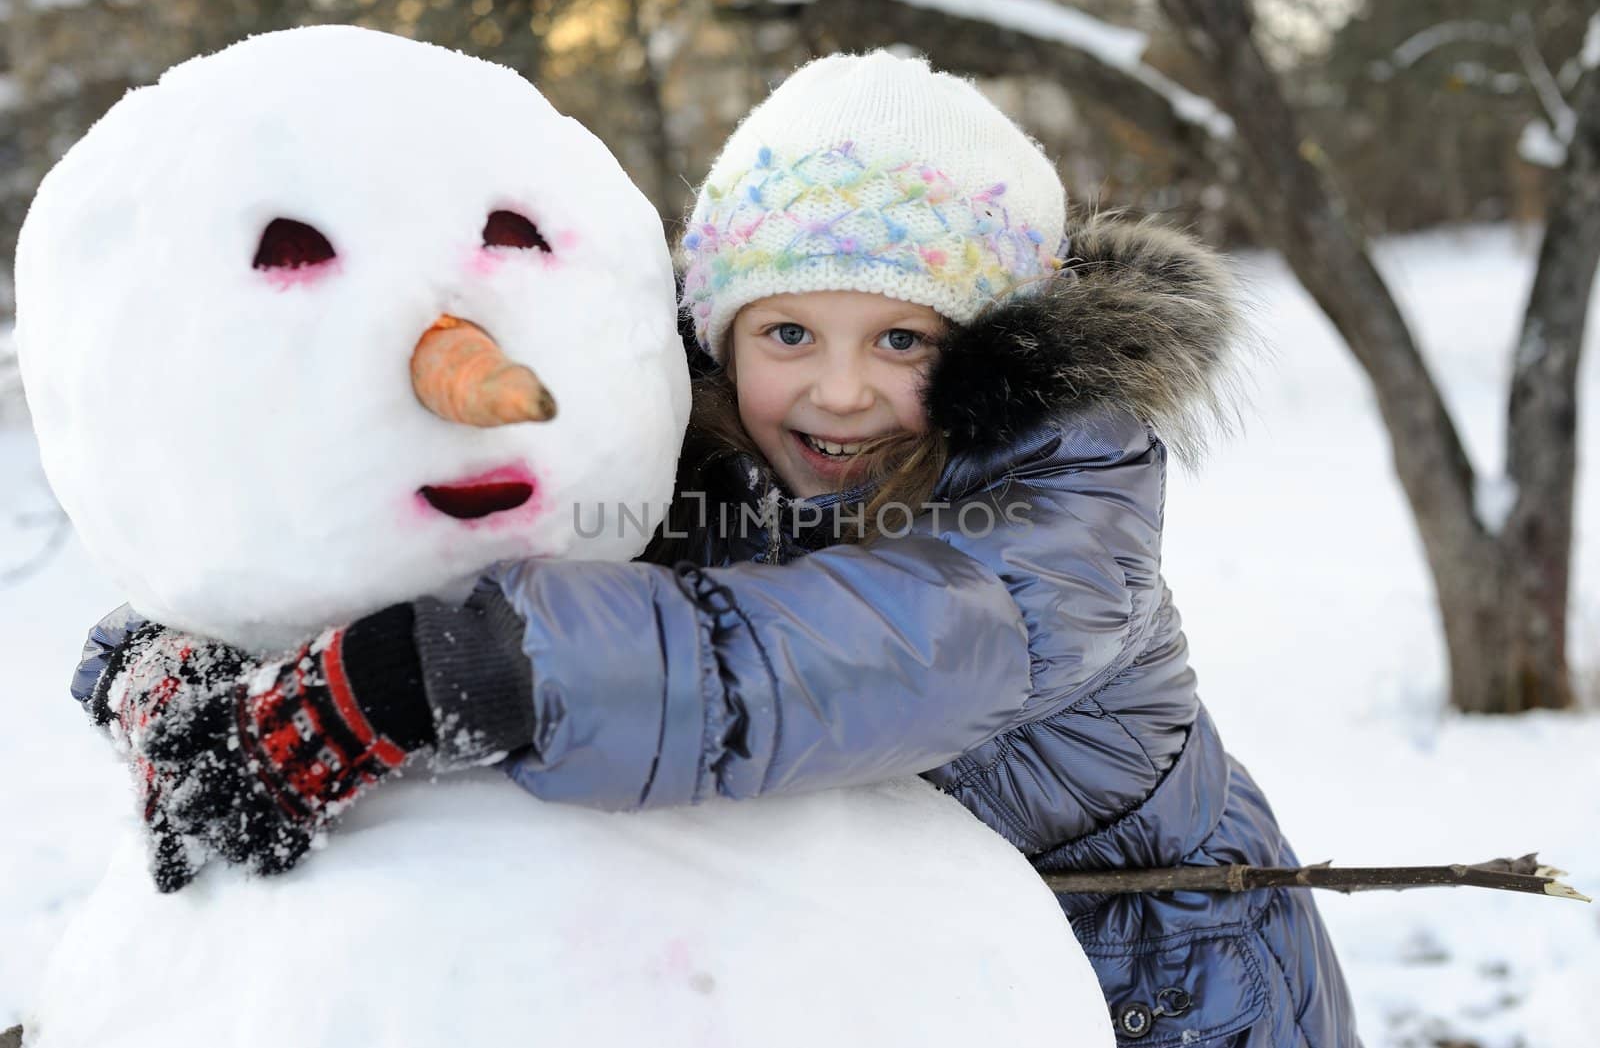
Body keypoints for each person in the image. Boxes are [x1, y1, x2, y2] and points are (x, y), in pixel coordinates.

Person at [75, 51, 1360, 1046]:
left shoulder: (1058, 503)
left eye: (902, 340)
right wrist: (200, 651)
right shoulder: (703, 476)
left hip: (1166, 976)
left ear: (989, 355)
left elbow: (874, 651)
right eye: (786, 334)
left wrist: (469, 669)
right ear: (715, 332)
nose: (839, 392)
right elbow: (436, 525)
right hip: (915, 978)